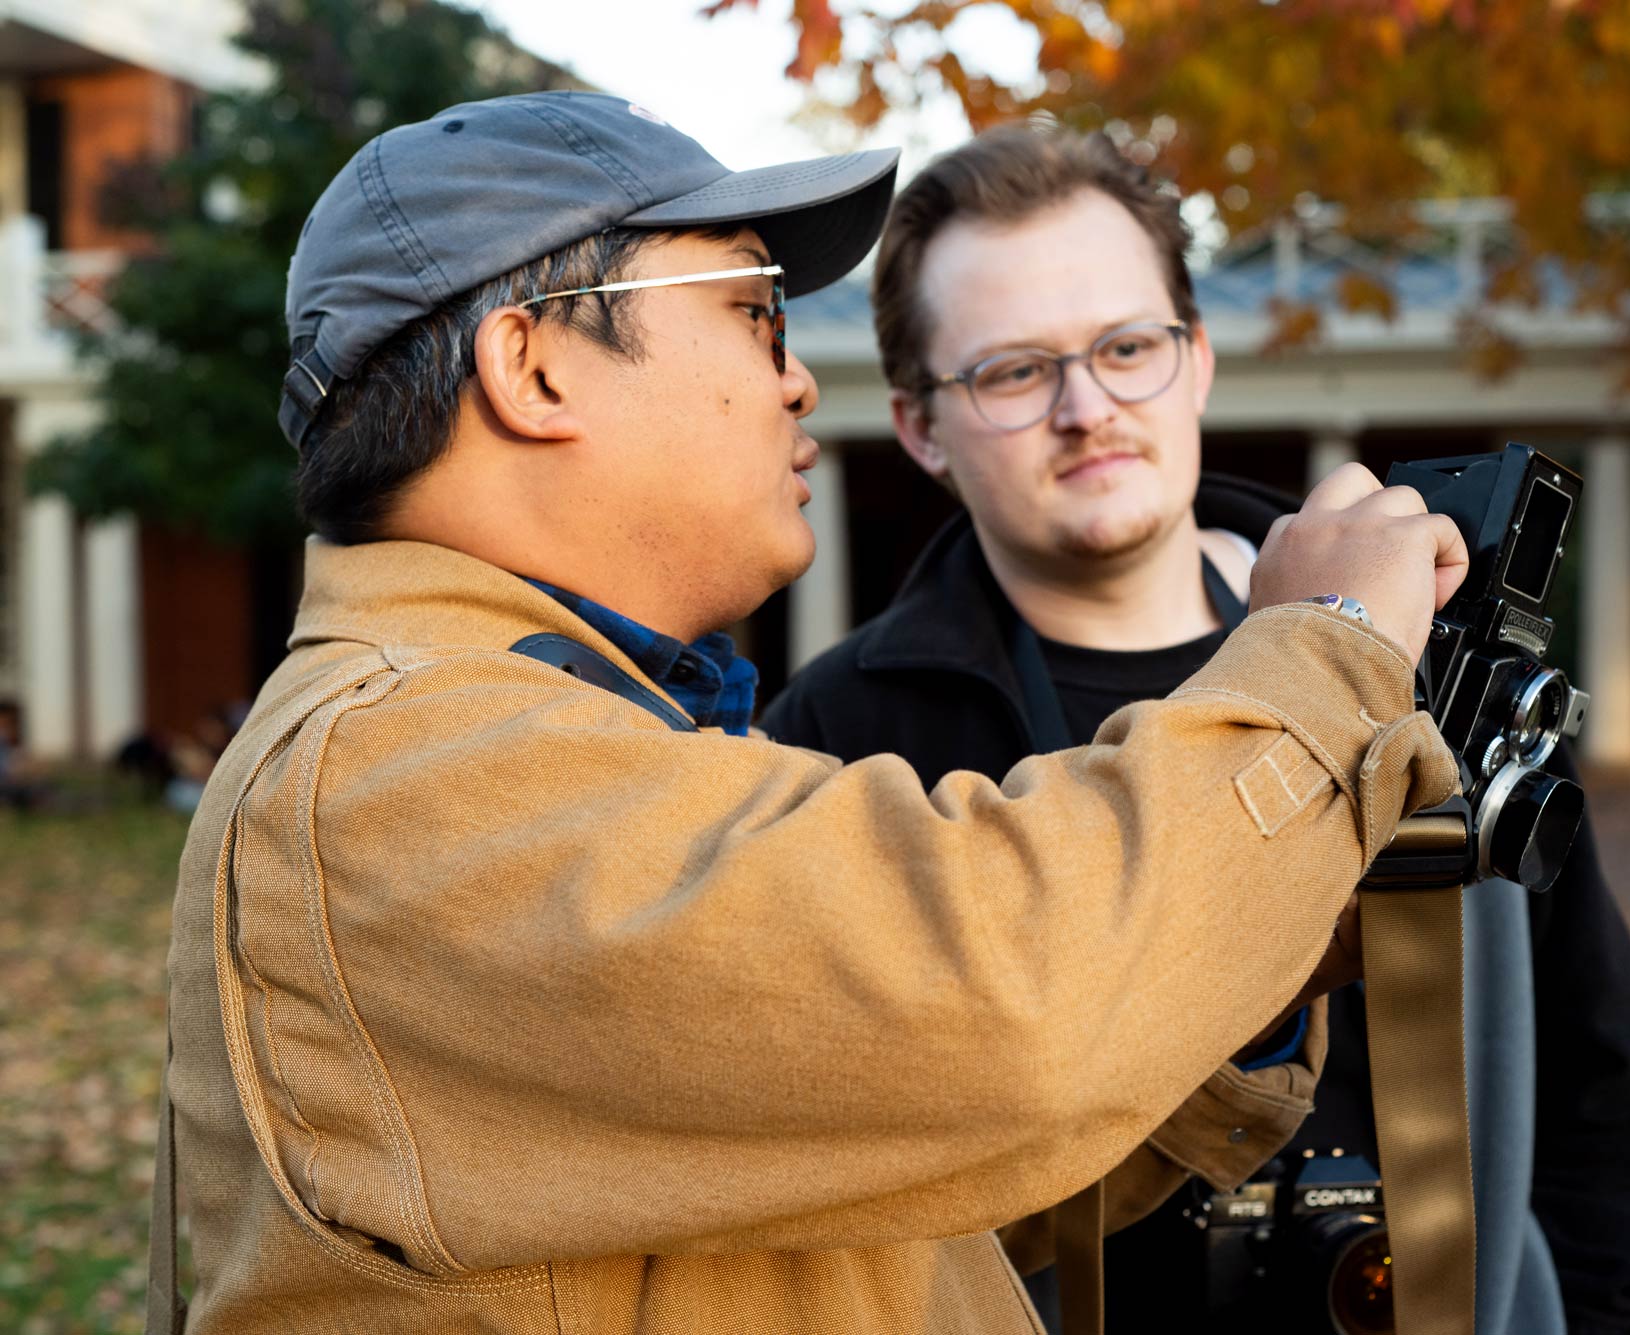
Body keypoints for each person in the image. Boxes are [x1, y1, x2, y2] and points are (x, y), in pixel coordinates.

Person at [150, 92, 1476, 1334]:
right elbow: (1004, 1008)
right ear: (533, 368)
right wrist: (1326, 649)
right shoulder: (401, 775)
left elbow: (893, 1172)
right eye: (752, 311)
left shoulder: (532, 734)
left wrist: (1250, 945)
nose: (796, 383)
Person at [763, 125, 1630, 1335]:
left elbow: (1602, 1071)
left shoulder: (1423, 635)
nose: (1084, 407)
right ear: (919, 426)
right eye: (1009, 370)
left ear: (1195, 361)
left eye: (1126, 348)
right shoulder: (833, 738)